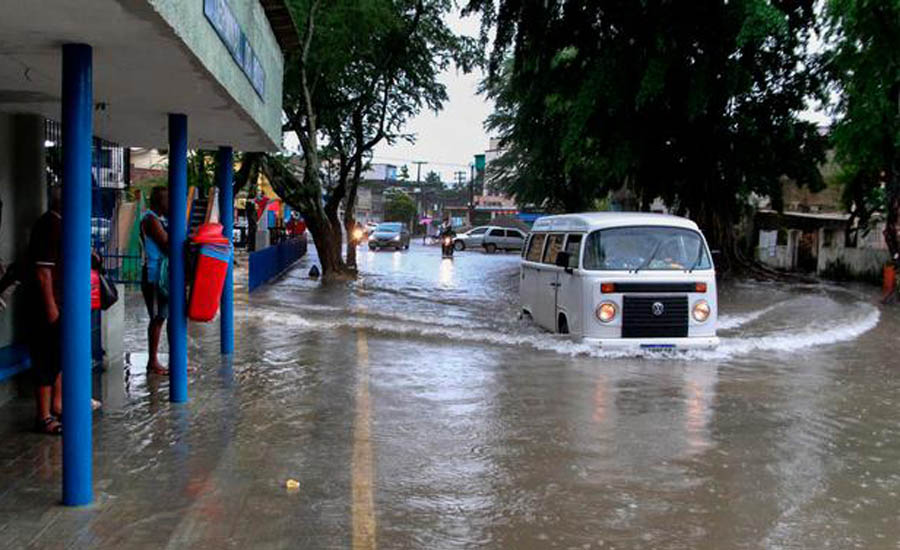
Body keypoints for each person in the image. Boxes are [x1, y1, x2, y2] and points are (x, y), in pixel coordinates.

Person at [26, 186, 63, 434]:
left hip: (60, 303)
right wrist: (51, 308)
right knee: (45, 358)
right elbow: (43, 272)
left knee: (56, 357)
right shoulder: (49, 225)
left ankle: (57, 406)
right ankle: (44, 416)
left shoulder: (60, 224)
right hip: (48, 306)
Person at [140, 187, 169, 376]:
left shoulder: (159, 219)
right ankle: (152, 360)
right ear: (160, 202)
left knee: (163, 316)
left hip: (162, 275)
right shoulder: (151, 219)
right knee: (157, 317)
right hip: (154, 275)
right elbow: (167, 243)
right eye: (168, 200)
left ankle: (160, 360)